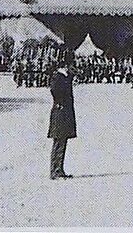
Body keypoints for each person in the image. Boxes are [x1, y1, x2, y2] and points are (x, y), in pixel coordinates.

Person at [48, 50, 76, 180]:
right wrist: (59, 101)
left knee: (63, 140)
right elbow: (54, 90)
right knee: (58, 141)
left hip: (65, 111)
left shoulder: (65, 76)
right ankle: (55, 170)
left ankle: (59, 169)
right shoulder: (58, 77)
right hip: (60, 111)